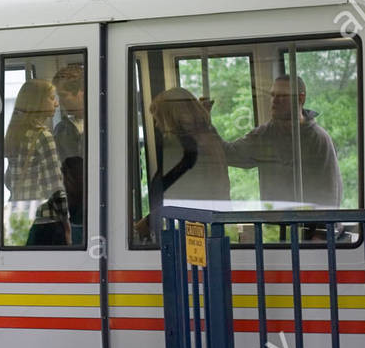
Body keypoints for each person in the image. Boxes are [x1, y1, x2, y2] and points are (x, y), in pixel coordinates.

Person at [223, 74, 342, 207]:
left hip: (310, 224)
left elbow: (330, 195)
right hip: (275, 224)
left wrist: (315, 227)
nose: (275, 101)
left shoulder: (318, 139)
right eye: (273, 95)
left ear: (301, 98)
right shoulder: (264, 135)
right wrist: (203, 126)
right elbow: (229, 154)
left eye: (282, 96)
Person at [136, 87, 230, 241]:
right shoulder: (208, 139)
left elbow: (182, 195)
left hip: (190, 232)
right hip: (206, 227)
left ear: (172, 117)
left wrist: (146, 224)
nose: (157, 125)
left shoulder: (183, 148)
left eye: (158, 118)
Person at [4, 78, 69, 246]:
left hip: (19, 219)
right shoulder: (43, 136)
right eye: (51, 98)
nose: (56, 104)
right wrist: (66, 220)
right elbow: (54, 186)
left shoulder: (14, 134)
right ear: (37, 101)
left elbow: (9, 180)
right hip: (46, 222)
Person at [51, 63, 85, 166]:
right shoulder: (60, 130)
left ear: (81, 92)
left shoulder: (104, 125)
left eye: (63, 95)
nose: (59, 103)